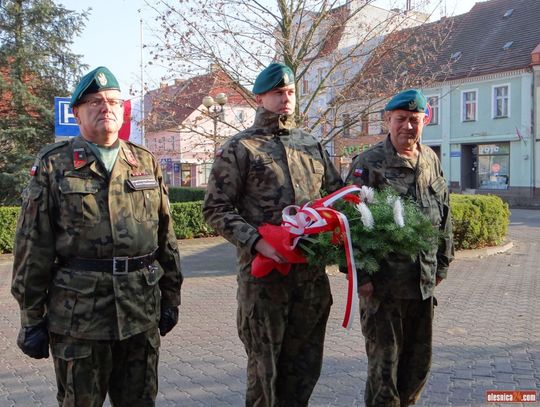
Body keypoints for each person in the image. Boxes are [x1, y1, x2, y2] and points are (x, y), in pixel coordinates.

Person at [11, 66, 183, 406]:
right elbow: (32, 247)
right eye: (95, 101)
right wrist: (31, 319)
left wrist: (171, 298)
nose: (106, 107)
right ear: (76, 112)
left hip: (140, 313)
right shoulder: (53, 164)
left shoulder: (144, 162)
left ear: (123, 110)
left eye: (113, 101)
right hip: (79, 320)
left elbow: (166, 238)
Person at [203, 62, 343, 407]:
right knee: (266, 376)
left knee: (305, 370)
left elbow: (337, 196)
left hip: (310, 280)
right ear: (260, 97)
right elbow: (216, 208)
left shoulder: (310, 145)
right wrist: (257, 242)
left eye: (290, 92)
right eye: (278, 92)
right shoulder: (240, 148)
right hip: (265, 283)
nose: (286, 99)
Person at [346, 89, 454, 407]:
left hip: (421, 286)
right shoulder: (369, 163)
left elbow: (444, 214)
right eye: (401, 119)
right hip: (383, 289)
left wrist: (443, 265)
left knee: (417, 367)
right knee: (384, 374)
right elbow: (350, 224)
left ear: (425, 121)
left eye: (415, 120)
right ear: (387, 121)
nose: (408, 126)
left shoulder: (431, 159)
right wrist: (361, 276)